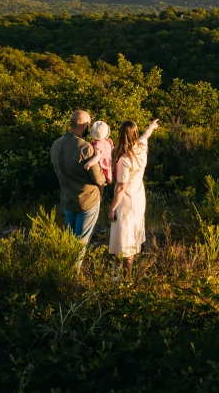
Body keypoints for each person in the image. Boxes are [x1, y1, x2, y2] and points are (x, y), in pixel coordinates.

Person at [108, 118, 159, 276]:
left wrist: (112, 208)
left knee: (122, 238)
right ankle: (126, 276)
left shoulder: (124, 159)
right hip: (138, 198)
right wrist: (151, 126)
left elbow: (121, 186)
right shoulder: (141, 149)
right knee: (131, 235)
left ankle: (118, 277)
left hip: (126, 200)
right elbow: (145, 137)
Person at [50, 110, 107, 247]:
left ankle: (66, 268)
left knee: (69, 243)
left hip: (68, 200)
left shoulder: (56, 145)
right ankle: (75, 268)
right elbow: (99, 179)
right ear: (83, 125)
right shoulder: (85, 148)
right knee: (79, 245)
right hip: (87, 200)